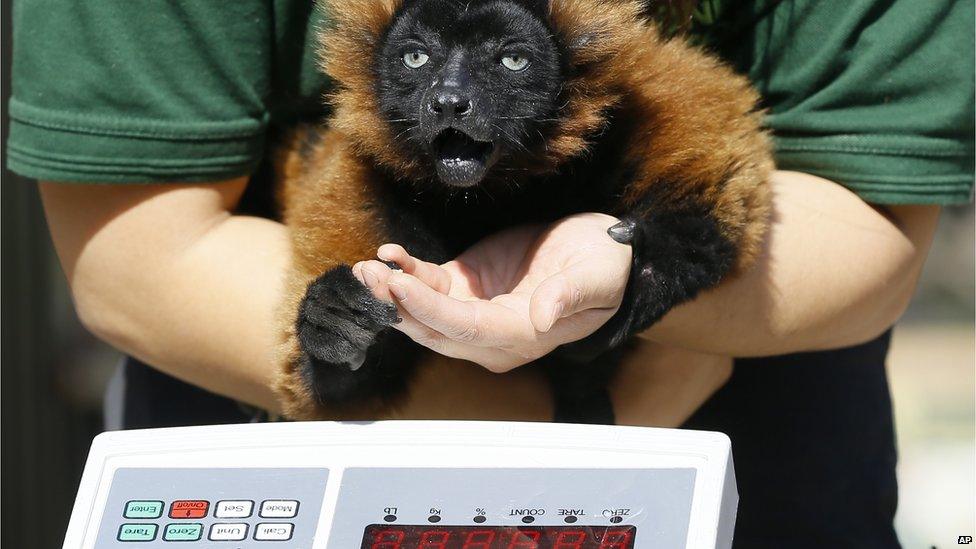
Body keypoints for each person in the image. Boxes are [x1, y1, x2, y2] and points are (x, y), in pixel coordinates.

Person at [8, 0, 972, 546]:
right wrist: (570, 428)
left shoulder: (647, 99)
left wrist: (636, 279)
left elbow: (870, 213)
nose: (455, 96)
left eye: (501, 61)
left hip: (750, 434)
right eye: (424, 60)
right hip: (275, 432)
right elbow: (139, 254)